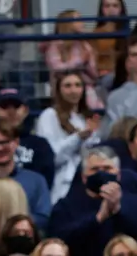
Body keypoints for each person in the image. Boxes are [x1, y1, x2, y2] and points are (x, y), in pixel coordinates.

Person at [35, 73, 103, 205]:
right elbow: (51, 157)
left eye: (78, 85)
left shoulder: (85, 117)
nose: (74, 90)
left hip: (87, 183)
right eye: (68, 86)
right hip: (62, 187)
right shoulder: (49, 116)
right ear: (58, 90)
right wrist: (78, 137)